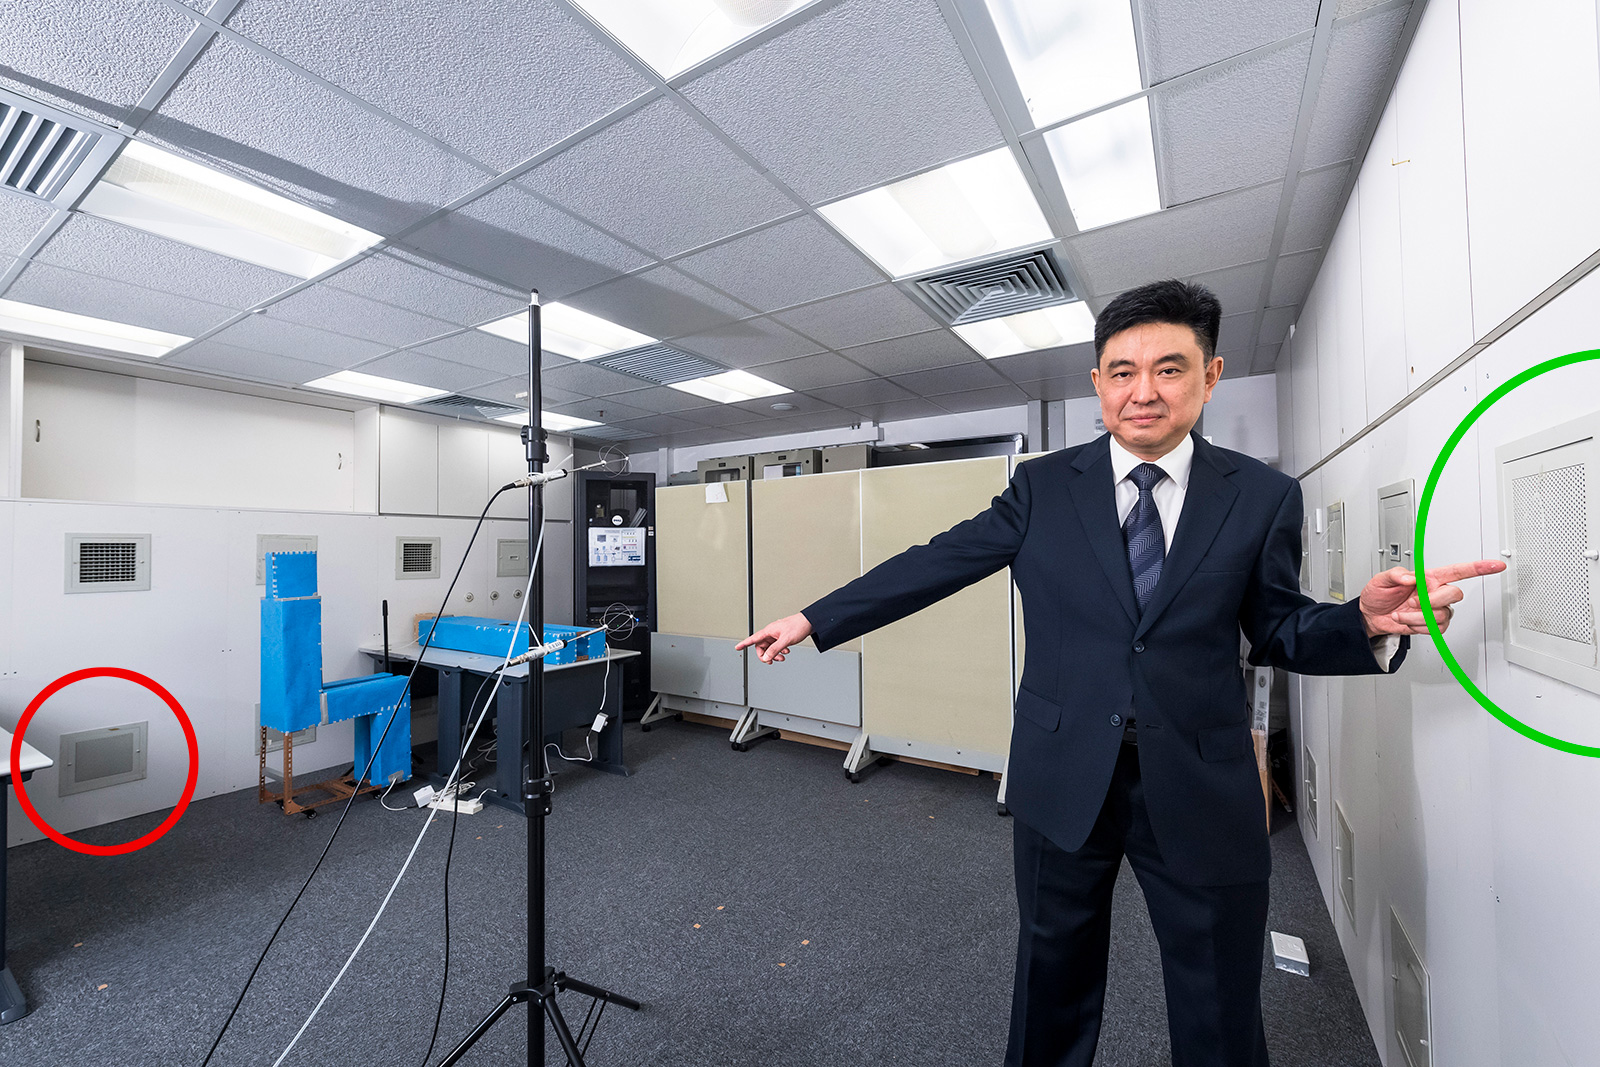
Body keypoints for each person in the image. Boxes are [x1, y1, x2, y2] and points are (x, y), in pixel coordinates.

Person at [737, 279, 1503, 1067]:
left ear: (1210, 377)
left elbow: (1275, 627)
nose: (1143, 392)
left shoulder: (1261, 497)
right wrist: (813, 618)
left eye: (1170, 369)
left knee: (1218, 997)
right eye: (1121, 371)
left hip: (1200, 779)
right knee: (1050, 984)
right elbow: (939, 561)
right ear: (1098, 382)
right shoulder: (1041, 488)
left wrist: (1360, 624)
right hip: (1064, 770)